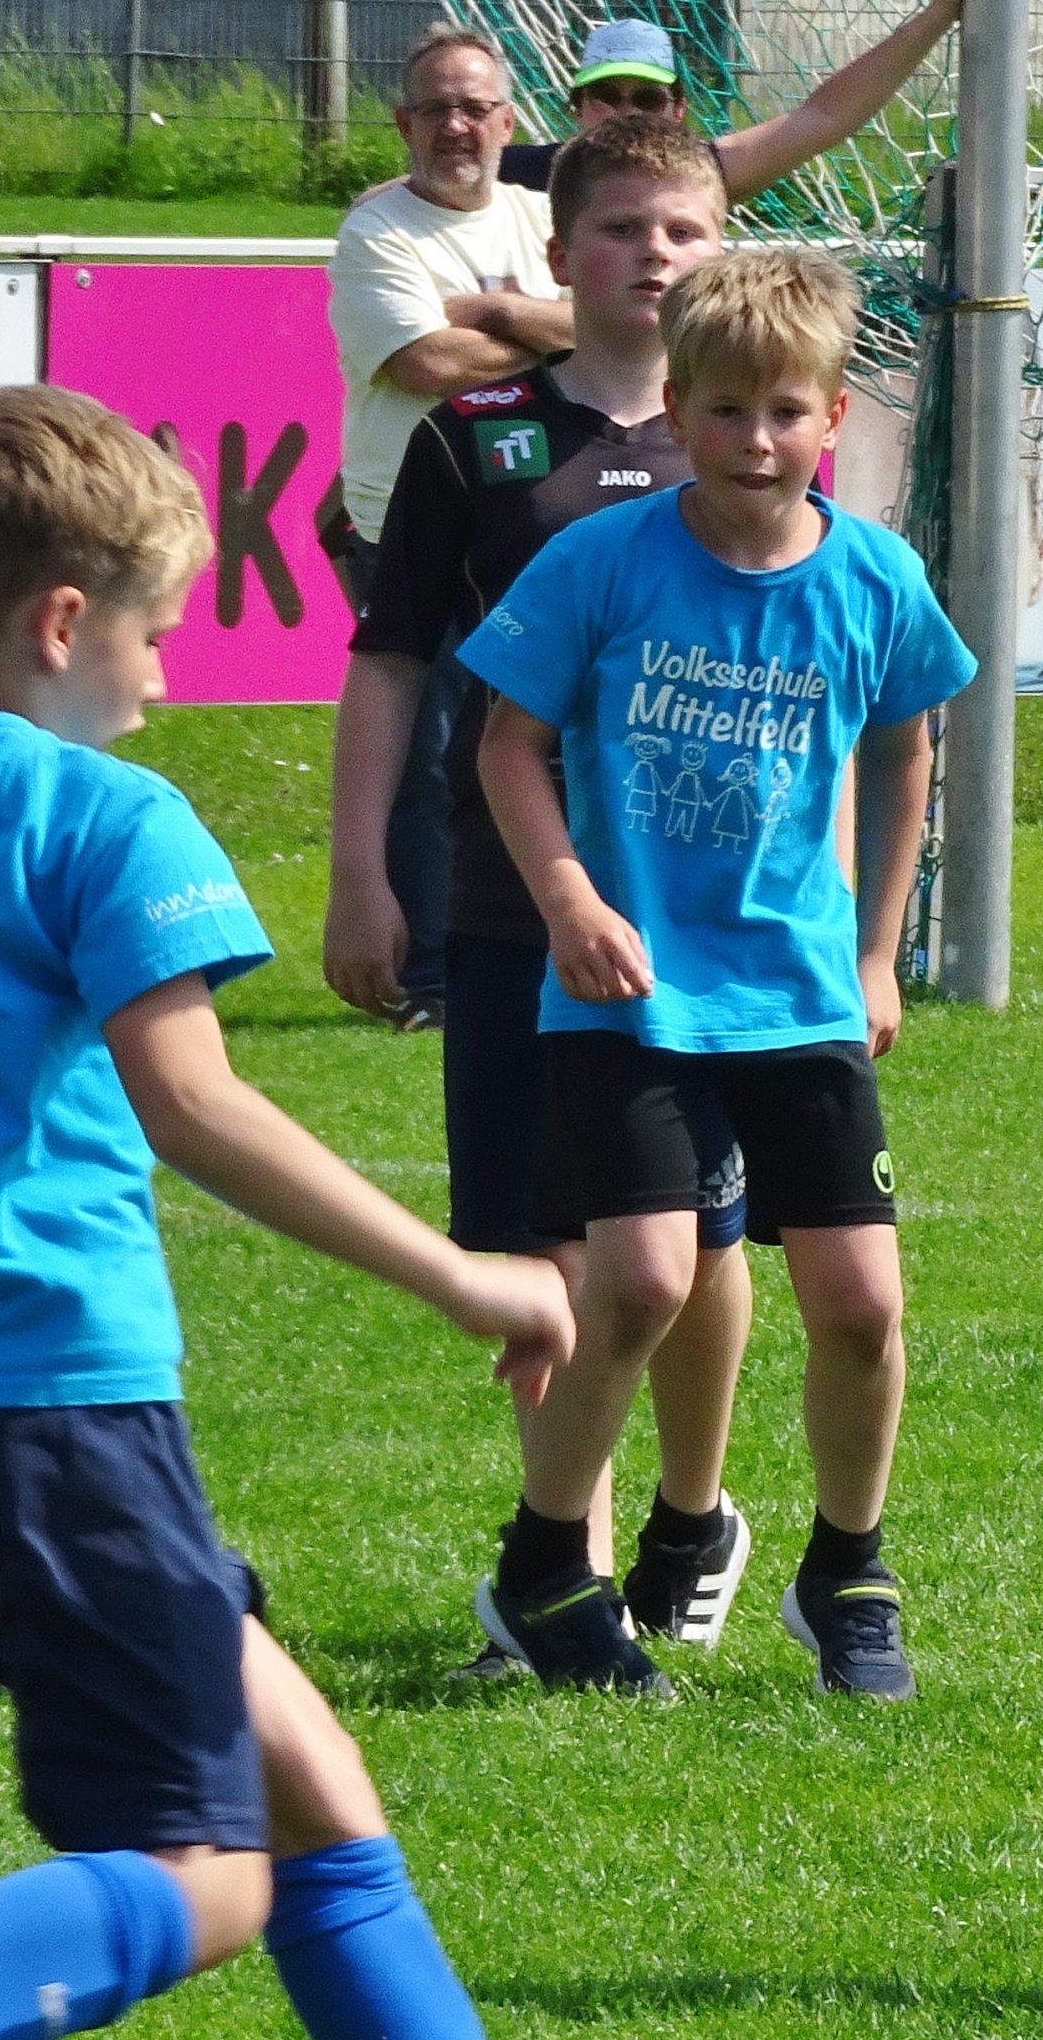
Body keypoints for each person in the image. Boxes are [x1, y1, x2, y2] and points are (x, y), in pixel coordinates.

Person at [0, 384, 757, 2040]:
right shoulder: (97, 810)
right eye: (156, 629)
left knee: (316, 1778)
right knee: (206, 1868)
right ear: (62, 624)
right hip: (55, 1407)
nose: (166, 678)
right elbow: (193, 1101)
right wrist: (467, 1273)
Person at [466, 248, 968, 1701]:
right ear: (676, 408)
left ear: (833, 422)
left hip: (799, 995)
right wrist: (566, 898)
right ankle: (546, 1568)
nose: (758, 440)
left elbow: (904, 744)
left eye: (787, 411)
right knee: (635, 1282)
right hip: (631, 994)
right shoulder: (601, 562)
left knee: (864, 1303)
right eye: (729, 409)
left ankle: (846, 1572)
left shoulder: (873, 577)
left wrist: (877, 951)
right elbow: (507, 741)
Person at [321, 115, 763, 1689]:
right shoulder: (480, 436)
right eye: (623, 229)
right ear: (555, 253)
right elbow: (388, 662)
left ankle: (693, 1521)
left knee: (703, 1244)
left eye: (685, 230)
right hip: (513, 915)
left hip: (700, 925)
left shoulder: (753, 433)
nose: (655, 255)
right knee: (538, 1254)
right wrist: (362, 870)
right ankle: (560, 1566)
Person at [318, 26, 571, 1026]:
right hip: (399, 520)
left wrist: (489, 315)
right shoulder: (376, 232)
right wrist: (544, 332)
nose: (456, 126)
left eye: (476, 108)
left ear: (509, 123)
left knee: (514, 741)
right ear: (403, 124)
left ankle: (509, 943)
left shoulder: (546, 212)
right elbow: (423, 366)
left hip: (522, 519)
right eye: (436, 108)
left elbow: (621, 326)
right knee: (424, 750)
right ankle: (421, 973)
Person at [482, 0, 978, 202]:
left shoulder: (700, 175)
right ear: (577, 109)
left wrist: (936, 16)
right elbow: (415, 190)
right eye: (608, 95)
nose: (627, 112)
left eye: (648, 99)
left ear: (678, 112)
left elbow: (824, 115)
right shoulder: (517, 174)